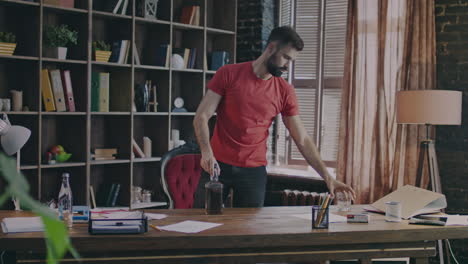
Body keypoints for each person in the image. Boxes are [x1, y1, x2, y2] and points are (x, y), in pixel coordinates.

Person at [193, 26, 355, 207]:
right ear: (271, 48)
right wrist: (206, 152)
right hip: (216, 165)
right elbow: (201, 116)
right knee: (202, 221)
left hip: (253, 172)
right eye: (286, 57)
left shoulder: (285, 91)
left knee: (248, 233)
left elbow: (301, 138)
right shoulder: (228, 74)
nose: (287, 65)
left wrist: (328, 177)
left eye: (291, 61)